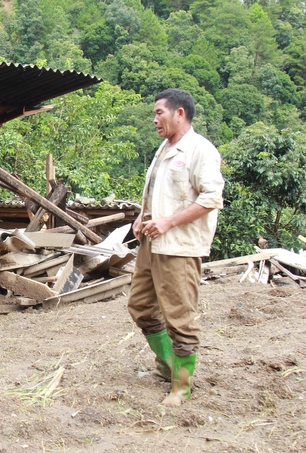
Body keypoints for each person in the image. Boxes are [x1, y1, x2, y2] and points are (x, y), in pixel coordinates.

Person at [128, 88, 224, 406]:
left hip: (179, 247)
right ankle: (167, 366)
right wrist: (142, 218)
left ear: (179, 113)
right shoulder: (163, 148)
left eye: (159, 112)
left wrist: (168, 222)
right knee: (141, 306)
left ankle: (181, 387)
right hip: (152, 243)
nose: (155, 119)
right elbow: (158, 193)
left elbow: (211, 198)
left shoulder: (200, 150)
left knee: (180, 318)